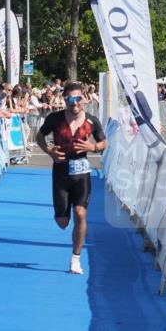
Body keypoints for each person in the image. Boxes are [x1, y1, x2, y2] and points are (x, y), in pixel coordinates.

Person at [35, 82, 107, 274]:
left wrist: (93, 148)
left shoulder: (91, 121)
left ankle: (75, 259)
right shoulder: (55, 118)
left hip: (82, 172)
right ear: (65, 100)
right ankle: (61, 213)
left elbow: (103, 142)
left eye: (78, 98)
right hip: (61, 172)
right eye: (70, 99)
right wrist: (49, 151)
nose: (74, 103)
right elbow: (39, 137)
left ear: (84, 99)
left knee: (81, 212)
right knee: (63, 222)